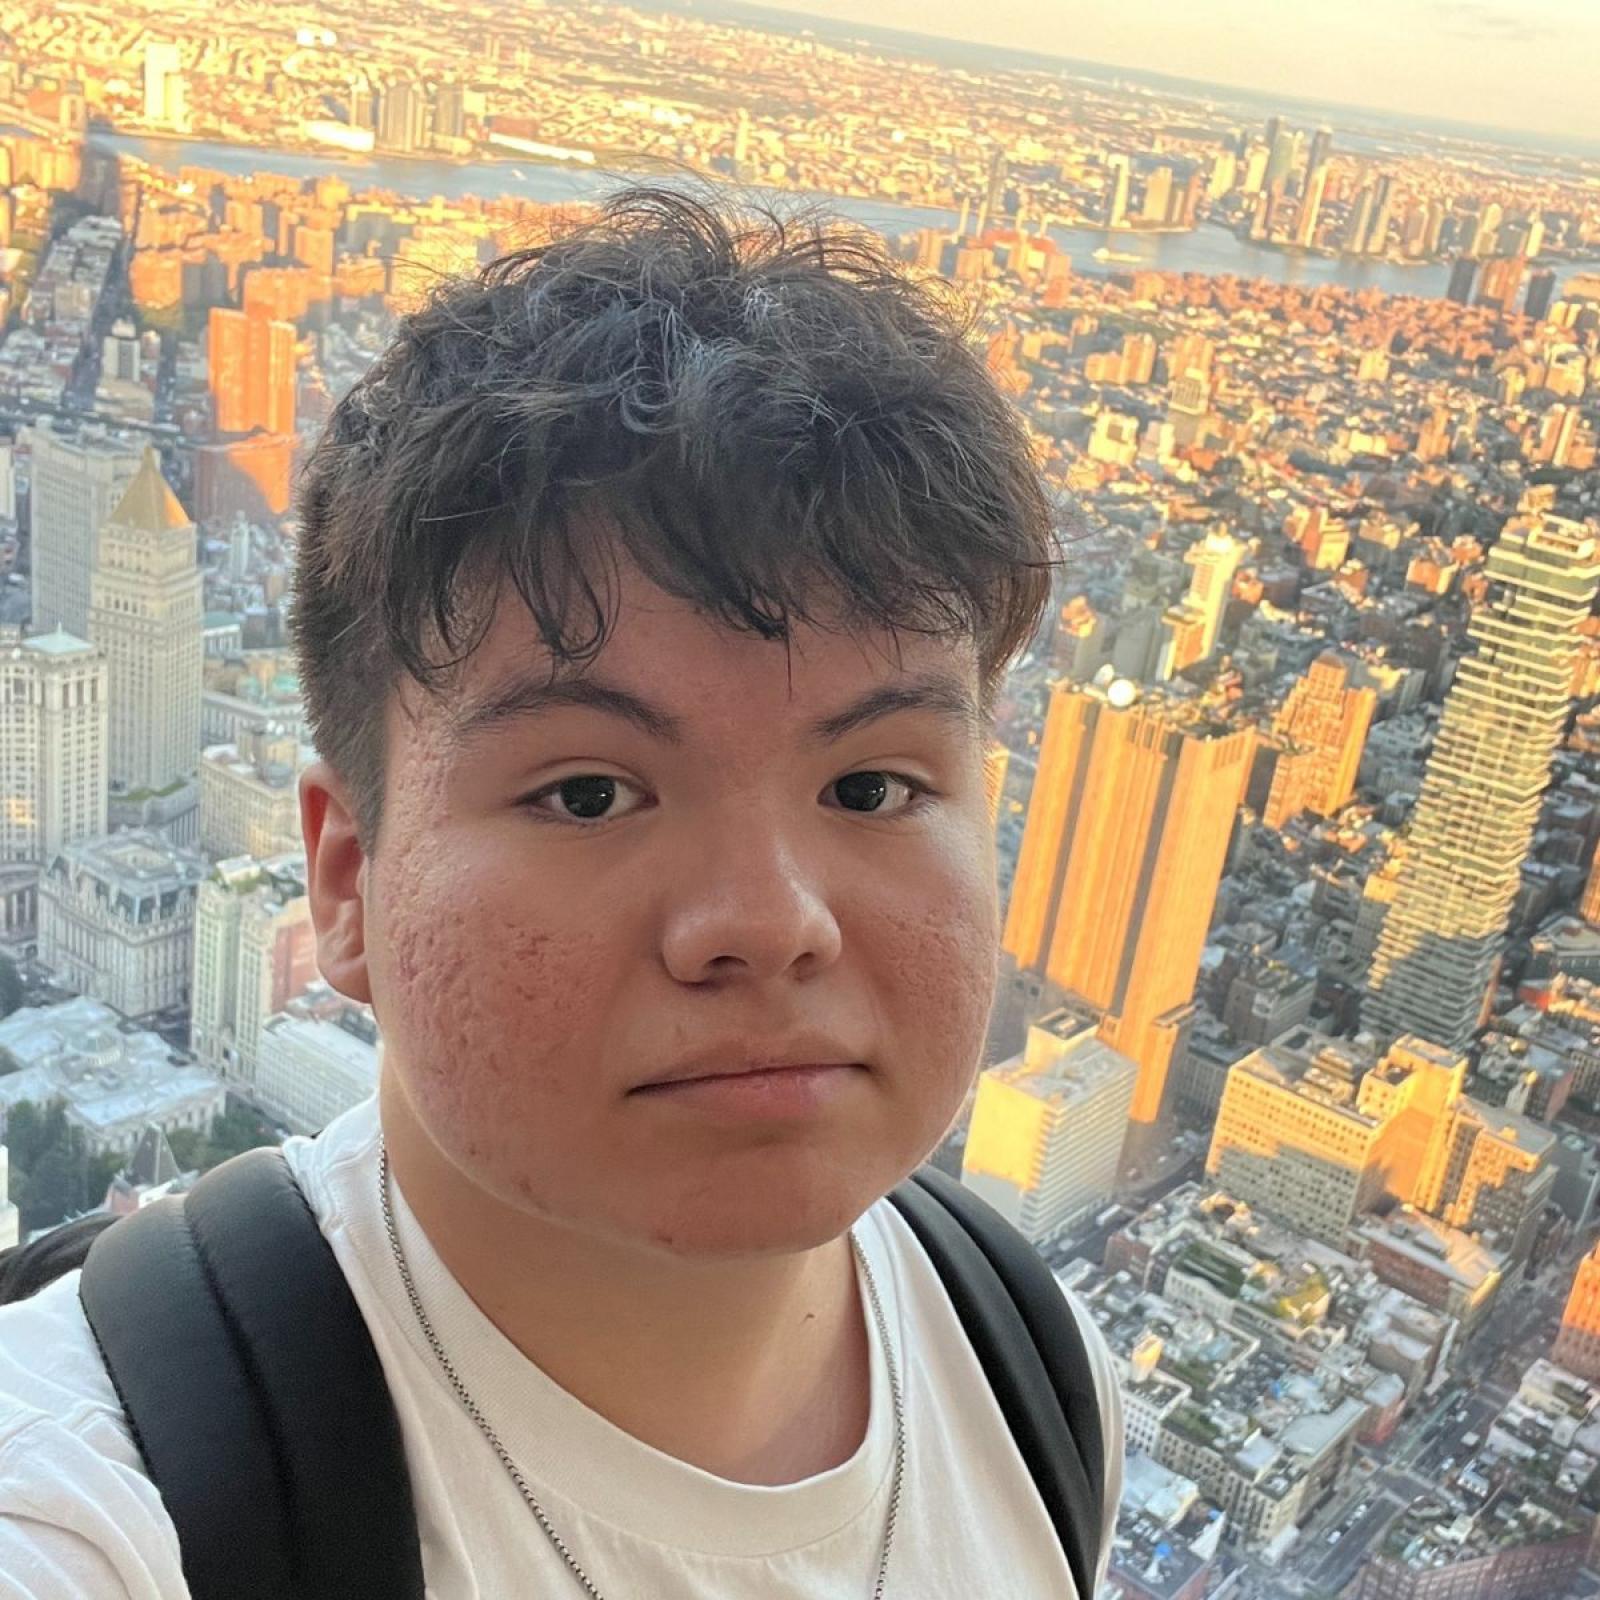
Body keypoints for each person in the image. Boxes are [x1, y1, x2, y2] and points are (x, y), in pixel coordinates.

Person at [0, 185, 1122, 1598]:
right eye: (587, 792)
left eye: (873, 788)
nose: (770, 921)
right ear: (348, 884)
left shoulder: (1036, 1378)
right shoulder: (95, 1510)